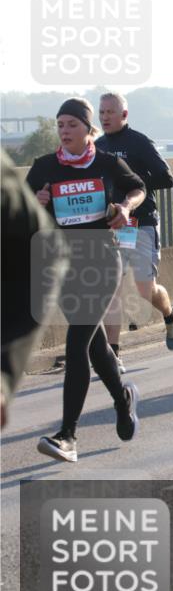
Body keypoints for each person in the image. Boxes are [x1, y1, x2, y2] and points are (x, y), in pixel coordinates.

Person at [25, 97, 146, 462]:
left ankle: (68, 436)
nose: (64, 131)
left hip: (101, 261)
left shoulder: (108, 164)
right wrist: (37, 198)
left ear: (86, 128)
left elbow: (138, 187)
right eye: (60, 125)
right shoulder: (45, 167)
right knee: (93, 346)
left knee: (76, 344)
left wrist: (125, 207)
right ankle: (123, 398)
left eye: (72, 125)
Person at [96, 93, 173, 371]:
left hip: (141, 220)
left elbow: (166, 177)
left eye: (111, 111)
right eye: (102, 112)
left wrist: (132, 180)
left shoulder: (139, 142)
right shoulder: (97, 147)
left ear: (124, 115)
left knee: (146, 289)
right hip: (115, 225)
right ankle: (114, 354)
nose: (105, 116)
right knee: (112, 289)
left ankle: (170, 315)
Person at [2, 150, 68, 428]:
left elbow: (45, 251)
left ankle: (70, 431)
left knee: (86, 338)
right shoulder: (44, 166)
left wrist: (4, 371)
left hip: (97, 249)